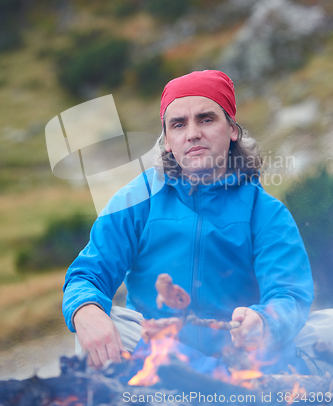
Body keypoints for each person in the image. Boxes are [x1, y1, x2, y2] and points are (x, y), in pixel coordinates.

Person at [62, 70, 314, 373]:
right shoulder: (137, 199)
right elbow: (87, 275)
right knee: (98, 321)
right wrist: (85, 309)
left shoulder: (266, 213)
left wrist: (264, 321)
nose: (192, 133)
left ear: (232, 130)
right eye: (178, 124)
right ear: (167, 139)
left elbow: (290, 294)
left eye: (206, 119)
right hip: (161, 361)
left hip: (240, 366)